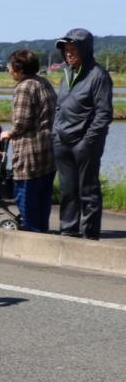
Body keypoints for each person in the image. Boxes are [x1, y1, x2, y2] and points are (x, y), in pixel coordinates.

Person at [52, 28, 114, 239]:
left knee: (87, 191)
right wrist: (55, 132)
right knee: (67, 191)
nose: (69, 53)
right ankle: (68, 232)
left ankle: (88, 235)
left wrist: (87, 141)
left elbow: (104, 114)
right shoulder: (67, 73)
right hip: (62, 141)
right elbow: (60, 107)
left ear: (85, 50)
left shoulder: (98, 76)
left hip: (84, 144)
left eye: (73, 49)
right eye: (66, 50)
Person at [0, 49, 58, 233]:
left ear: (18, 68)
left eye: (10, 66)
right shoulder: (43, 82)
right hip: (48, 147)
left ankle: (32, 232)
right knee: (43, 194)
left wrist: (8, 133)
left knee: (26, 193)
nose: (8, 69)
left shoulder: (25, 86)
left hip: (29, 149)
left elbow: (21, 121)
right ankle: (41, 229)